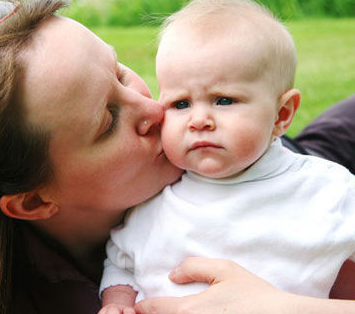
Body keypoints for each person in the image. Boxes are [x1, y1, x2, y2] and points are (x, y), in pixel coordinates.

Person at [0, 1, 354, 314]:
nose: (156, 110)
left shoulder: (302, 181)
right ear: (35, 201)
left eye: (120, 73)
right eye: (108, 122)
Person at [99, 0, 355, 313]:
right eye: (180, 104)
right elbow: (121, 265)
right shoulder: (152, 204)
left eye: (223, 100)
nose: (199, 120)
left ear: (282, 114)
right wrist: (117, 303)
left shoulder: (329, 192)